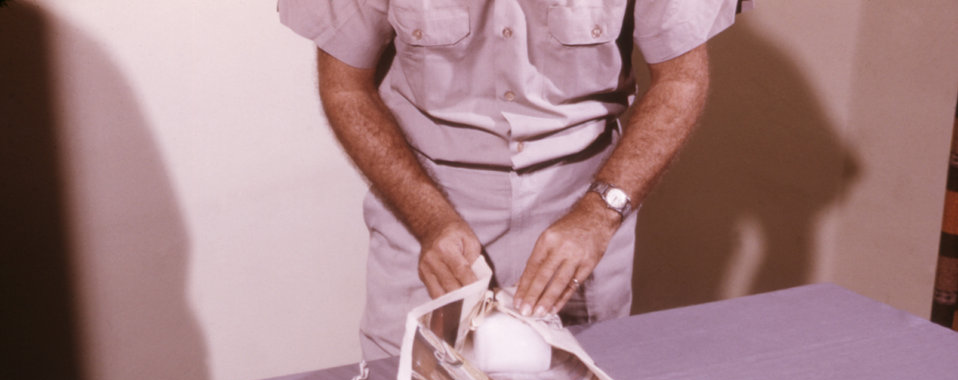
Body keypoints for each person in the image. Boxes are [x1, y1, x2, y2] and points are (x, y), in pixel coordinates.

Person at [278, 0, 744, 360]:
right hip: (427, 208)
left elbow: (681, 79)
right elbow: (345, 85)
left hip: (584, 205)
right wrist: (428, 220)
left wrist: (598, 216)